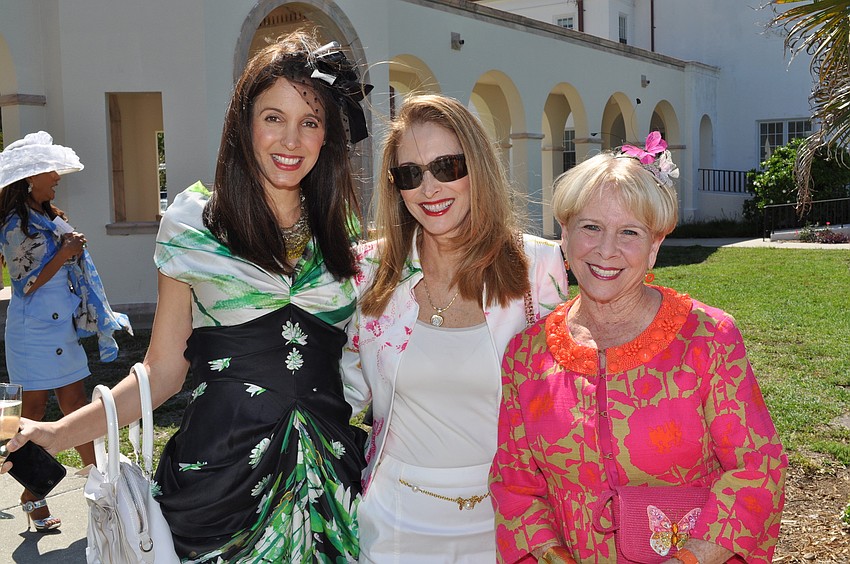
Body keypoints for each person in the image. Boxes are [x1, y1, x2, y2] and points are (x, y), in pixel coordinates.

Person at [3, 30, 373, 561]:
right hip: (218, 488)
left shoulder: (345, 232)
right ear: (244, 124)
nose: (291, 140)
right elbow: (162, 372)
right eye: (274, 117)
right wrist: (59, 433)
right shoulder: (194, 225)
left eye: (310, 122)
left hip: (330, 488)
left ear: (327, 136)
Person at [489, 133, 787, 564]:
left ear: (654, 247)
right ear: (565, 235)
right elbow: (515, 485)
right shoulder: (525, 355)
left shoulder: (708, 338)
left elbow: (757, 469)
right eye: (591, 227)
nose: (606, 250)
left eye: (629, 232)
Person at [341, 94, 568, 562]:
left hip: (507, 520)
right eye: (410, 174)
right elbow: (342, 393)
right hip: (394, 523)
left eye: (447, 167)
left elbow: (561, 403)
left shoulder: (537, 267)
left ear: (477, 167)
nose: (429, 189)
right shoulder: (368, 272)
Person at [0, 131, 130, 531]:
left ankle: (102, 489)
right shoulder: (13, 224)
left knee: (76, 406)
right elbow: (25, 283)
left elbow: (62, 265)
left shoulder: (49, 215)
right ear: (29, 178)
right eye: (49, 170)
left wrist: (71, 248)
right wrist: (65, 251)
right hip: (33, 332)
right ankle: (33, 493)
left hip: (60, 330)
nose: (57, 176)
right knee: (32, 414)